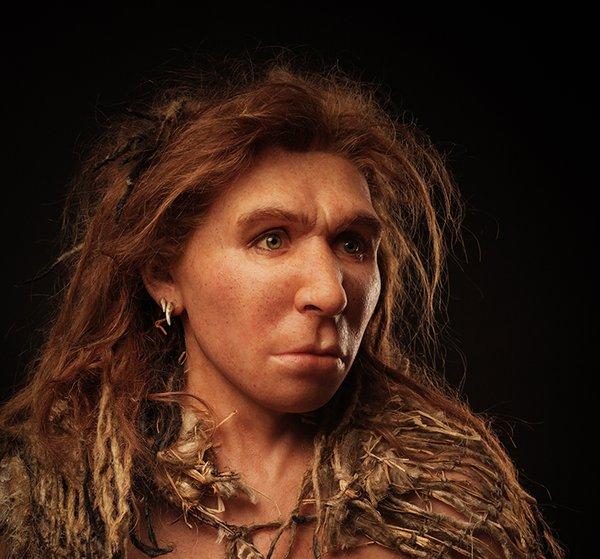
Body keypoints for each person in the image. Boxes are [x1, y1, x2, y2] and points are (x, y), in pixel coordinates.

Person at [0, 54, 564, 559]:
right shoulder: (48, 507)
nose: (331, 293)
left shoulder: (449, 513)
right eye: (271, 239)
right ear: (165, 275)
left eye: (352, 244)